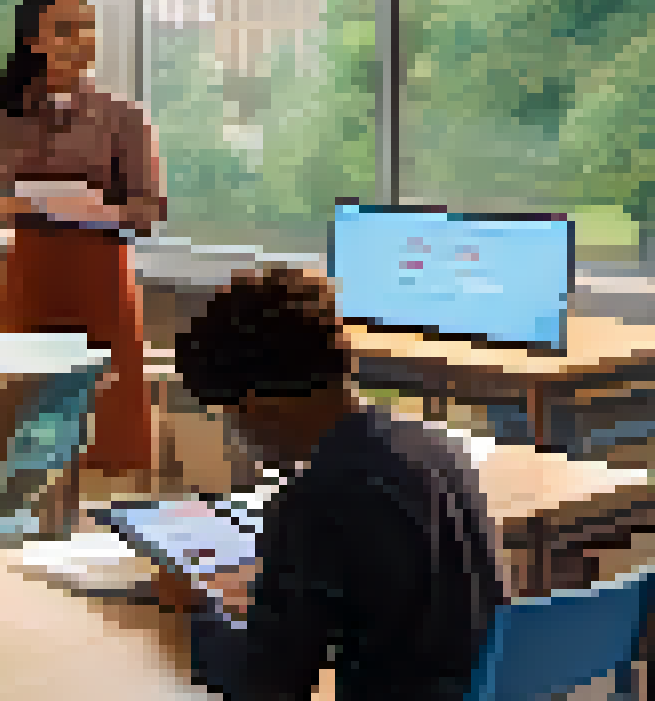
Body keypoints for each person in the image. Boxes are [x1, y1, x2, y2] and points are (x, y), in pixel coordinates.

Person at [163, 267, 502, 701]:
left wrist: (200, 612)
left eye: (232, 418)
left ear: (261, 406)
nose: (239, 436)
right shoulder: (439, 448)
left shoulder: (320, 496)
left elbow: (266, 684)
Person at [0, 0, 167, 486]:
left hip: (99, 273)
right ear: (34, 40)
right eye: (66, 29)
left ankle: (96, 519)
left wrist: (99, 210)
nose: (82, 40)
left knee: (105, 417)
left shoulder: (124, 117)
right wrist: (15, 204)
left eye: (87, 28)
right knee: (18, 411)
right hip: (32, 273)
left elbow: (150, 208)